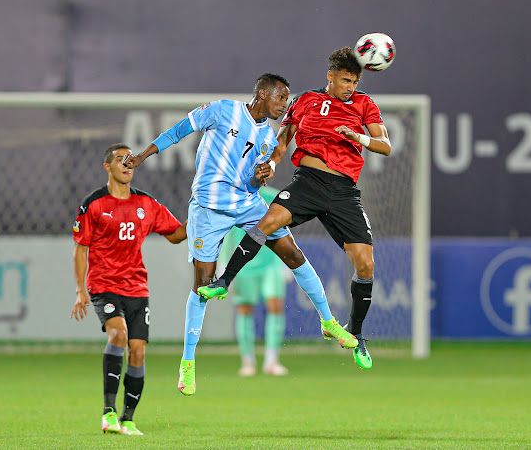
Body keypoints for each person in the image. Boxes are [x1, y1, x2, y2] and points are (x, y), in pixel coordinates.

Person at [123, 73, 357, 397]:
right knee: (202, 286)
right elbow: (178, 131)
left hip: (247, 204)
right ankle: (188, 362)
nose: (284, 105)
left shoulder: (268, 138)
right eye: (280, 97)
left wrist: (259, 177)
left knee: (293, 254)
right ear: (262, 94)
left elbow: (252, 182)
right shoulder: (223, 110)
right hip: (208, 208)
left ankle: (328, 321)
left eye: (287, 99)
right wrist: (143, 155)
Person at [201, 48, 391, 370]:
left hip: (344, 192)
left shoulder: (364, 104)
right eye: (345, 80)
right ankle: (223, 281)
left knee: (365, 264)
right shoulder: (305, 101)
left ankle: (356, 333)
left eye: (355, 82)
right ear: (330, 76)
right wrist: (273, 164)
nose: (350, 88)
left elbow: (385, 145)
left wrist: (357, 136)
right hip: (308, 183)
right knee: (266, 222)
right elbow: (283, 139)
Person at [70, 143, 187, 436]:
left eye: (131, 159)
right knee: (118, 335)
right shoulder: (94, 204)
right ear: (107, 166)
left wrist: (202, 216)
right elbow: (81, 249)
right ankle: (108, 413)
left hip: (136, 286)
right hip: (104, 284)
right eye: (120, 159)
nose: (127, 164)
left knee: (138, 351)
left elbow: (176, 235)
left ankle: (128, 419)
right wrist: (80, 290)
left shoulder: (146, 203)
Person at [219, 186, 289, 377]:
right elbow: (228, 231)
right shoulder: (235, 197)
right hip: (244, 262)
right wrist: (224, 264)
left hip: (272, 259)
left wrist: (287, 261)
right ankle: (247, 361)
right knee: (245, 308)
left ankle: (272, 361)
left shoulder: (274, 197)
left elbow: (285, 227)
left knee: (275, 306)